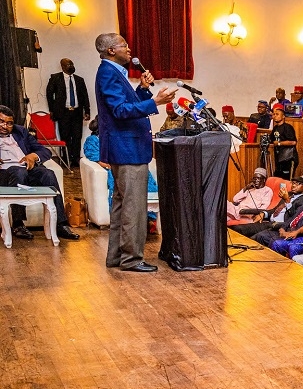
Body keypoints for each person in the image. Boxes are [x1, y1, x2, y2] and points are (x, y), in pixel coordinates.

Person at [93, 32, 176, 271]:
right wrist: (155, 102)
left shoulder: (113, 73)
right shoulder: (108, 73)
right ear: (111, 50)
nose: (129, 50)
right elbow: (119, 111)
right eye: (124, 46)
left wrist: (142, 89)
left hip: (126, 146)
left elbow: (124, 106)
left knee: (121, 205)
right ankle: (131, 259)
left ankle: (117, 257)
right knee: (134, 207)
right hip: (127, 148)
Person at [0, 105, 80, 242]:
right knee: (19, 172)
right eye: (1, 121)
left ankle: (60, 224)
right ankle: (18, 224)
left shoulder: (21, 132)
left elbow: (44, 151)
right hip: (4, 173)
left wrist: (33, 156)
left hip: (26, 169)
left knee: (48, 174)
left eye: (9, 123)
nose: (5, 126)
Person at [45, 57, 90, 167]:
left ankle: (75, 160)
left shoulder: (80, 80)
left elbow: (85, 96)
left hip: (77, 112)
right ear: (62, 66)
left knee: (77, 136)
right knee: (65, 136)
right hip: (63, 112)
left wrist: (87, 110)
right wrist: (52, 109)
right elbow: (49, 94)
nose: (71, 66)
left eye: (72, 64)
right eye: (68, 65)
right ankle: (66, 159)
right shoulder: (55, 78)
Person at [268, 105, 298, 179]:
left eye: (277, 114)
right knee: (279, 179)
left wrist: (279, 143)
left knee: (287, 180)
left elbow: (293, 142)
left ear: (283, 116)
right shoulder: (275, 128)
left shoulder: (288, 127)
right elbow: (271, 140)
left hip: (288, 158)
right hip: (279, 159)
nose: (275, 116)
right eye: (274, 114)